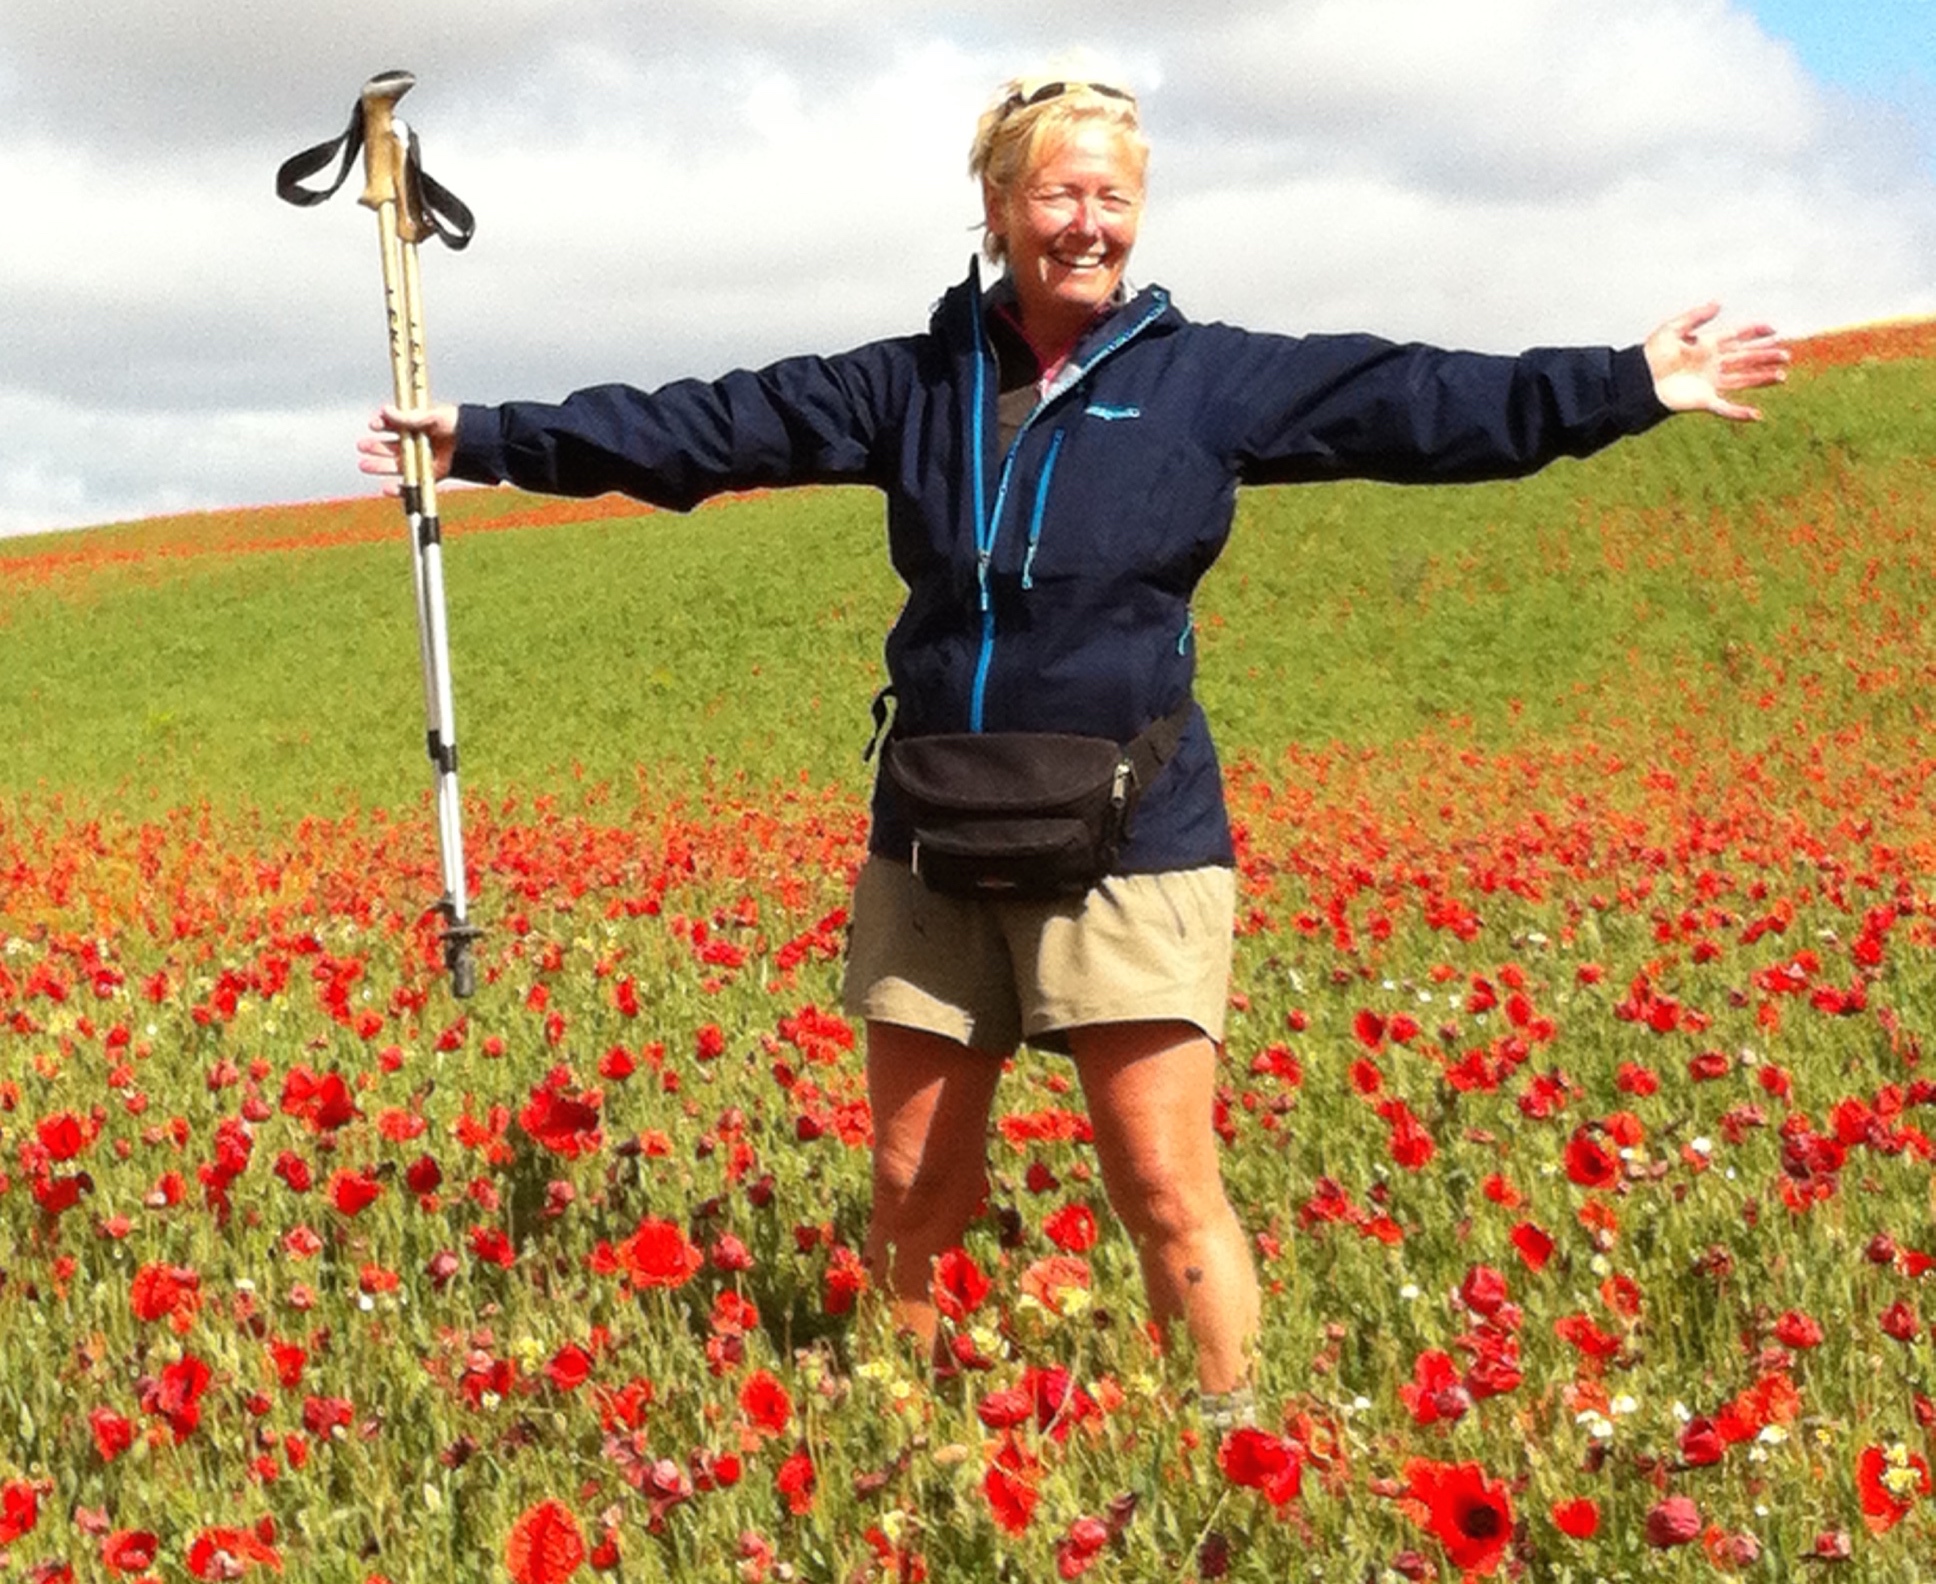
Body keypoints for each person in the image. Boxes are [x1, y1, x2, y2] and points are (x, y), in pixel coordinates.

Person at [359, 72, 1788, 1420]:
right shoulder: (912, 384)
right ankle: (896, 1432)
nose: (1086, 222)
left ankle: (1232, 1445)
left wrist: (1622, 382)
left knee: (1163, 1182)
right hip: (935, 830)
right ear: (997, 209)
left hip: (1134, 834)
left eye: (1111, 197)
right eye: (1057, 195)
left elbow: (1422, 403)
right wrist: (485, 434)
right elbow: (712, 427)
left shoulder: (1204, 382)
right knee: (914, 1181)